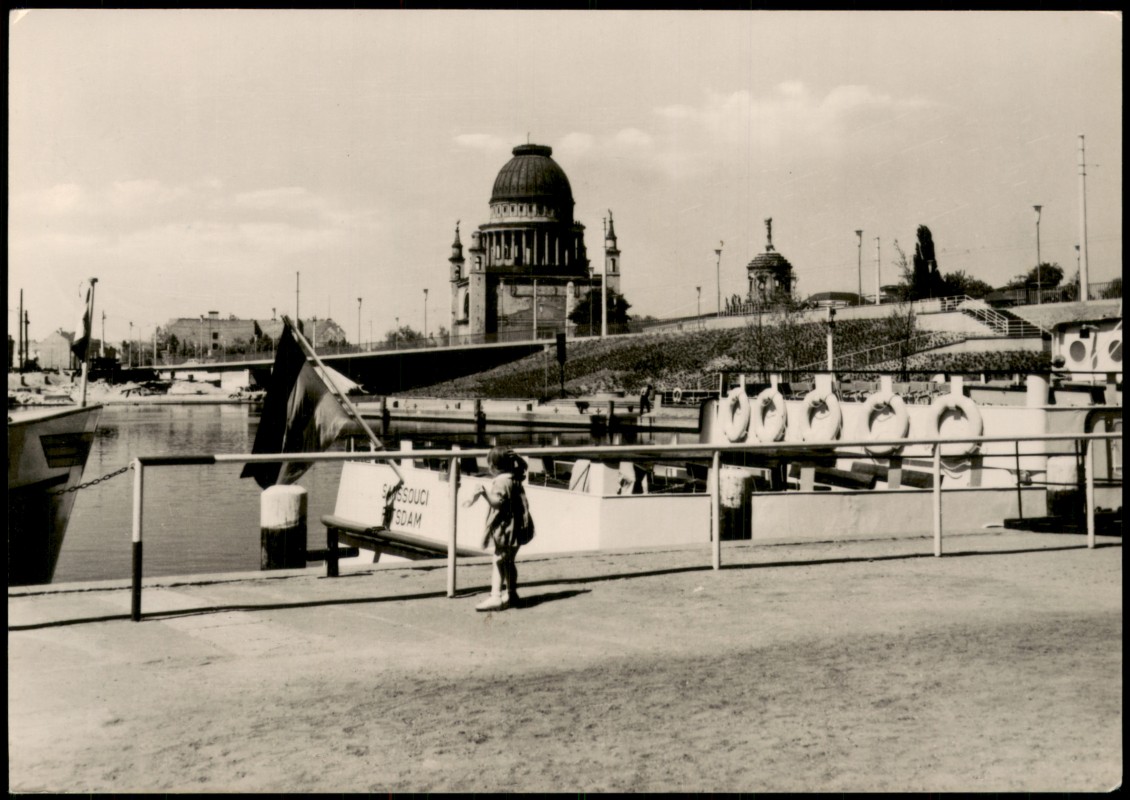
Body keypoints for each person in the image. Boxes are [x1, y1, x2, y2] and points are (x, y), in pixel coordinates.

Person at [462, 446, 532, 611]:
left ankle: (495, 597)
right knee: (509, 561)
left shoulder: (500, 482)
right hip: (517, 527)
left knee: (498, 560)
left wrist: (484, 494)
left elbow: (498, 503)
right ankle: (512, 594)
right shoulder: (515, 476)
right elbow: (523, 470)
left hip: (506, 528)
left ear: (493, 466)